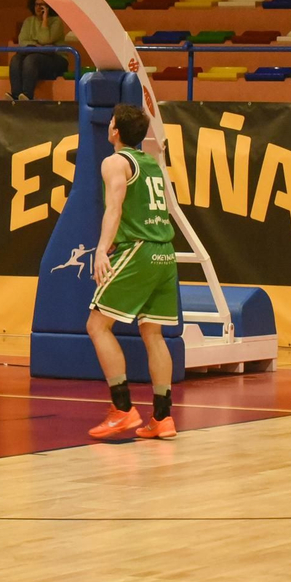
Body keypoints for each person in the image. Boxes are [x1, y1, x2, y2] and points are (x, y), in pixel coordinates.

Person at [86, 103, 179, 441]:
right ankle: (163, 418)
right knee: (152, 334)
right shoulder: (152, 164)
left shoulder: (114, 161)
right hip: (165, 253)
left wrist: (101, 247)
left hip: (140, 249)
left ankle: (123, 409)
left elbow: (115, 206)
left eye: (111, 121)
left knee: (97, 325)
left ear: (115, 131)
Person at [9, 0, 70, 101]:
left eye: (42, 5)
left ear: (48, 7)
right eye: (37, 4)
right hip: (36, 54)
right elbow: (22, 41)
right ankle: (16, 96)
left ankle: (27, 95)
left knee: (31, 59)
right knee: (16, 59)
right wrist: (38, 46)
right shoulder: (29, 21)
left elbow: (45, 39)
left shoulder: (56, 22)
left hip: (56, 59)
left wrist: (45, 20)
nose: (38, 7)